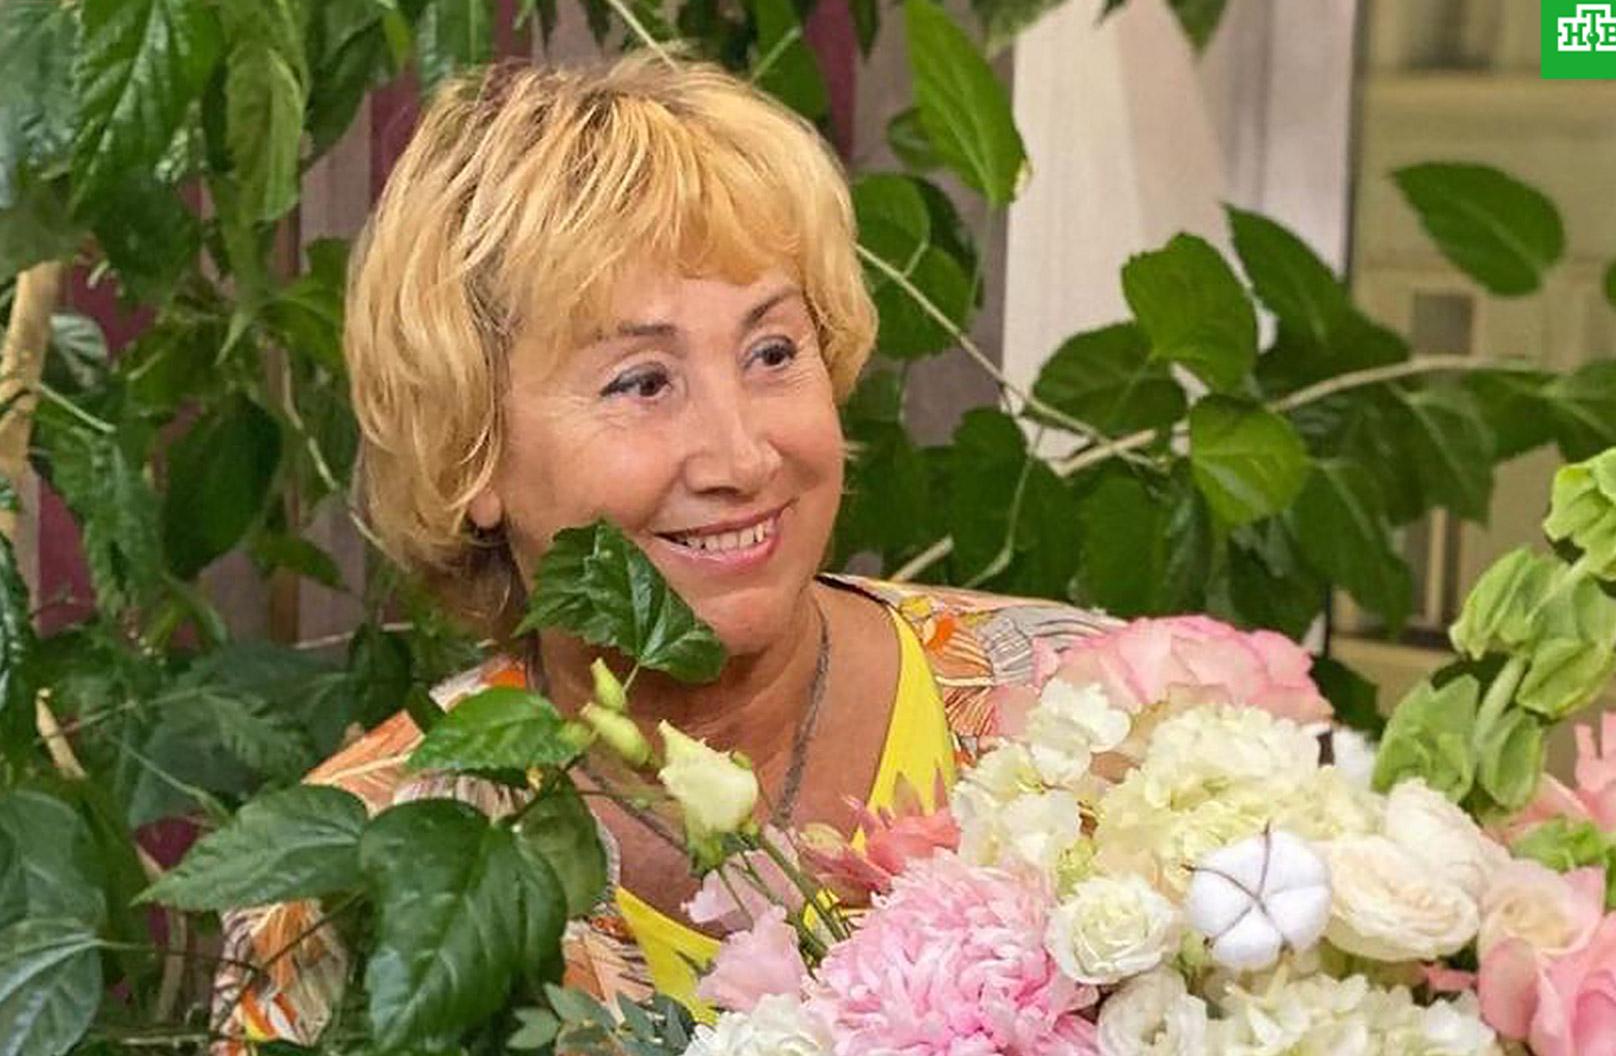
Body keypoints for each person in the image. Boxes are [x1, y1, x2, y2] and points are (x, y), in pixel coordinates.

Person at [211, 51, 1117, 1044]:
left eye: (772, 352)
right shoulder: (350, 890)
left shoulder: (1099, 722)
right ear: (471, 447)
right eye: (642, 382)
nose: (742, 456)